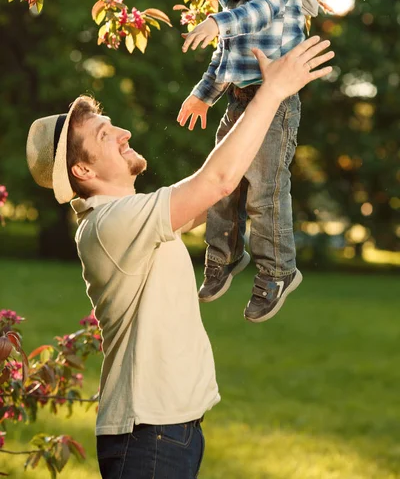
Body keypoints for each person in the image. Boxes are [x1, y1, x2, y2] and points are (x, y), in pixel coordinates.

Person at [26, 36, 333, 478]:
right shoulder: (111, 223)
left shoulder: (131, 219)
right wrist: (271, 92)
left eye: (112, 125)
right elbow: (218, 182)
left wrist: (253, 98)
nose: (123, 132)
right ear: (83, 171)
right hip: (148, 434)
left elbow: (226, 188)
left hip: (167, 431)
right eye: (104, 134)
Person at [177, 0, 321, 323]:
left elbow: (262, 11)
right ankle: (222, 257)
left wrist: (216, 20)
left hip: (274, 101)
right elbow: (228, 53)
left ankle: (278, 270)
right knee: (221, 184)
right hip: (241, 98)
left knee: (264, 191)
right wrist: (203, 95)